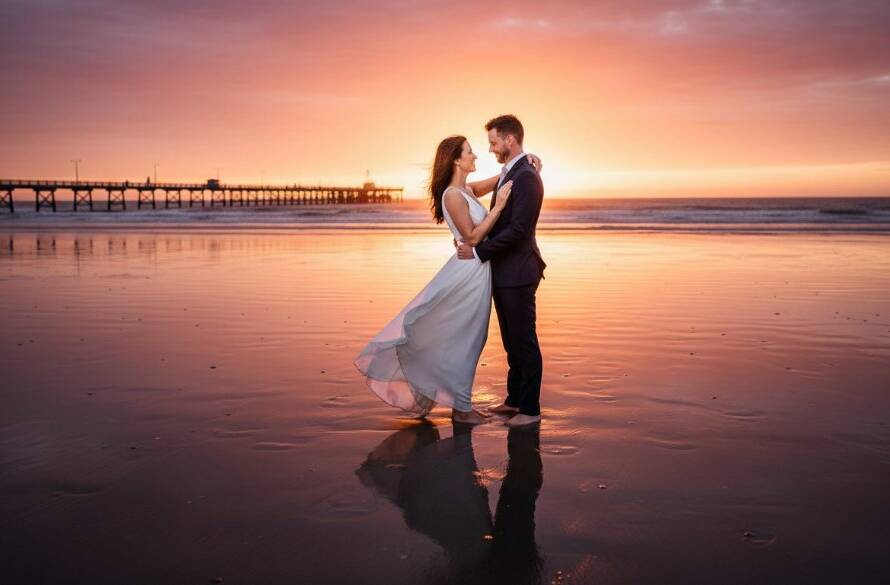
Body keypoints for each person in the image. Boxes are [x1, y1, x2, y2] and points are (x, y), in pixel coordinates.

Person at [354, 135, 541, 425]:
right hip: (469, 273)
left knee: (470, 338)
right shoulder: (452, 195)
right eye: (469, 152)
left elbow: (502, 176)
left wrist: (528, 160)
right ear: (456, 159)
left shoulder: (465, 189)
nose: (476, 155)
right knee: (465, 338)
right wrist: (499, 207)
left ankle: (461, 405)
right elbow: (473, 237)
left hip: (477, 271)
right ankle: (462, 409)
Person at [457, 115, 547, 427]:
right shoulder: (515, 172)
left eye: (494, 142)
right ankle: (514, 400)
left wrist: (478, 251)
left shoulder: (526, 178)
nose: (492, 149)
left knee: (524, 340)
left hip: (520, 271)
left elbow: (519, 231)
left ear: (510, 140)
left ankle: (531, 410)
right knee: (511, 339)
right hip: (505, 271)